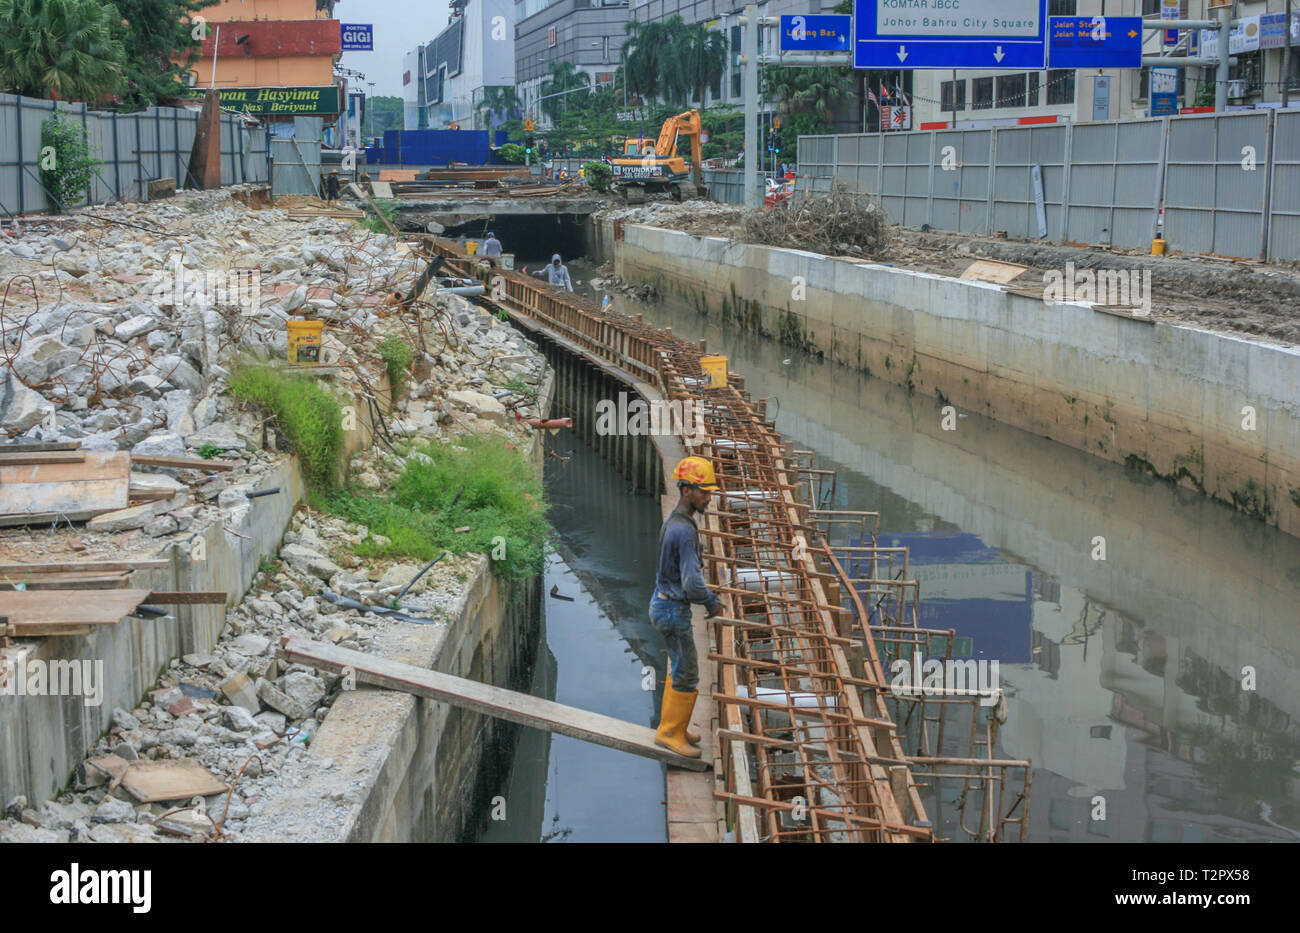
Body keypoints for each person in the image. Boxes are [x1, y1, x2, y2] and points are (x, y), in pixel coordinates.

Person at [650, 457, 722, 758]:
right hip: (672, 609)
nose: (708, 497)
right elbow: (692, 584)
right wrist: (712, 602)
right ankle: (669, 734)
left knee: (681, 667)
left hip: (663, 603)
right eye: (704, 491)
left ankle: (675, 728)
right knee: (688, 672)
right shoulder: (685, 531)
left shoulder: (677, 522)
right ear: (687, 490)